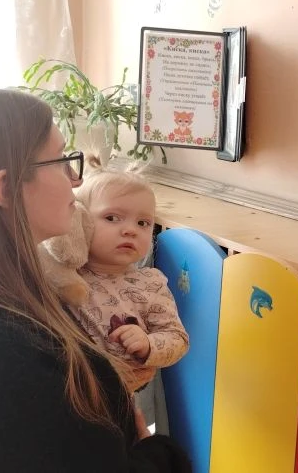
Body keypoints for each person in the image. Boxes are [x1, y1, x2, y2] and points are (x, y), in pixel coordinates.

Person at [0, 87, 190, 472]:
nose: (74, 179)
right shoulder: (0, 351)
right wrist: (155, 455)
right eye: (62, 161)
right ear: (6, 188)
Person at [61, 157, 189, 419]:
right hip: (65, 395)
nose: (130, 230)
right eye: (112, 218)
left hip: (117, 403)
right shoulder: (63, 274)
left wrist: (148, 344)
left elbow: (177, 339)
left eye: (143, 223)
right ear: (80, 221)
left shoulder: (150, 283)